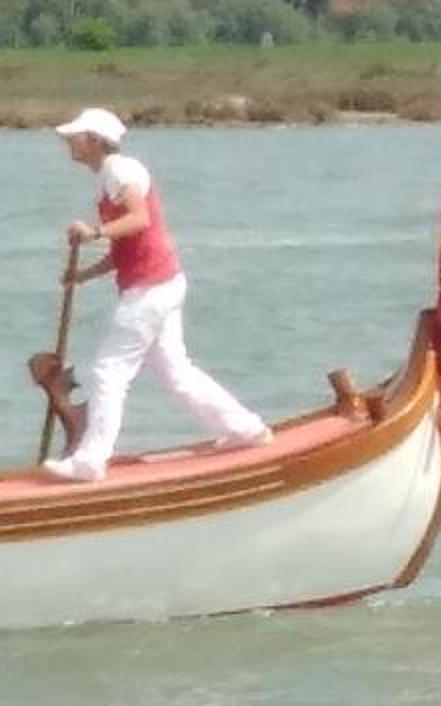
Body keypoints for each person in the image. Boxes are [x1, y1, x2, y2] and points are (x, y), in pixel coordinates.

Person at [43, 107, 270, 482]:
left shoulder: (119, 170)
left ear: (96, 142)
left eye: (76, 137)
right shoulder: (110, 176)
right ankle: (246, 429)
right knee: (176, 373)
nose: (69, 143)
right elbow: (126, 247)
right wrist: (82, 275)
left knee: (109, 371)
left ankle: (89, 461)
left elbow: (138, 220)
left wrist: (93, 232)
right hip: (161, 282)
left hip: (151, 288)